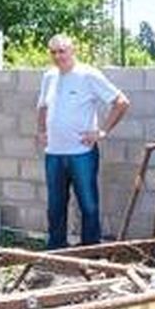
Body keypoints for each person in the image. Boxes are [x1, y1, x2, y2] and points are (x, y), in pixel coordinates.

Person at [36, 34, 130, 249]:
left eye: (62, 51)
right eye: (53, 52)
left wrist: (103, 131)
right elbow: (42, 106)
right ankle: (57, 250)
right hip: (54, 154)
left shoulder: (88, 75)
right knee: (55, 207)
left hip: (82, 153)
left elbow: (121, 102)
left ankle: (90, 252)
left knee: (88, 205)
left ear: (72, 50)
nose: (58, 56)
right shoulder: (49, 76)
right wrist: (41, 130)